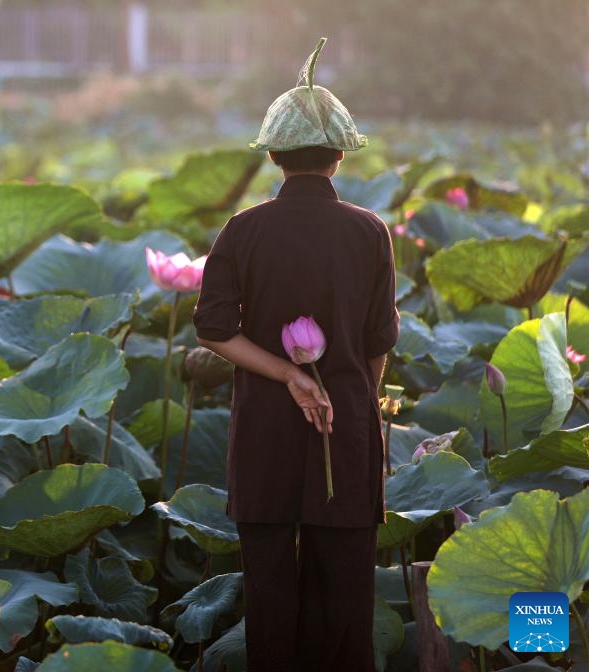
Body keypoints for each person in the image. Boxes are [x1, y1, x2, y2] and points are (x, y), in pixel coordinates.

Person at [191, 38, 400, 671]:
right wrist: (356, 408)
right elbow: (376, 344)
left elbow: (212, 330)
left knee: (269, 593)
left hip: (265, 432)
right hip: (346, 427)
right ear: (340, 156)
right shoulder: (370, 232)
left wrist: (285, 374)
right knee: (346, 598)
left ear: (274, 156)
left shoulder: (243, 230)